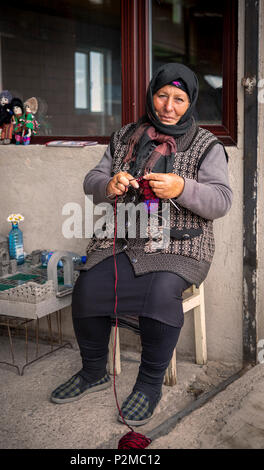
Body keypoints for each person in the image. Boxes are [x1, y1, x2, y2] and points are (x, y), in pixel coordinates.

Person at [50, 63, 233, 426]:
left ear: (190, 101)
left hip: (181, 245)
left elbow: (222, 200)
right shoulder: (125, 136)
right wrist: (110, 184)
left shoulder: (206, 145)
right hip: (123, 238)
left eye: (178, 99)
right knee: (87, 285)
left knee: (162, 291)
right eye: (162, 95)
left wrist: (182, 188)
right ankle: (93, 372)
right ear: (152, 96)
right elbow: (93, 180)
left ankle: (149, 385)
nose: (168, 106)